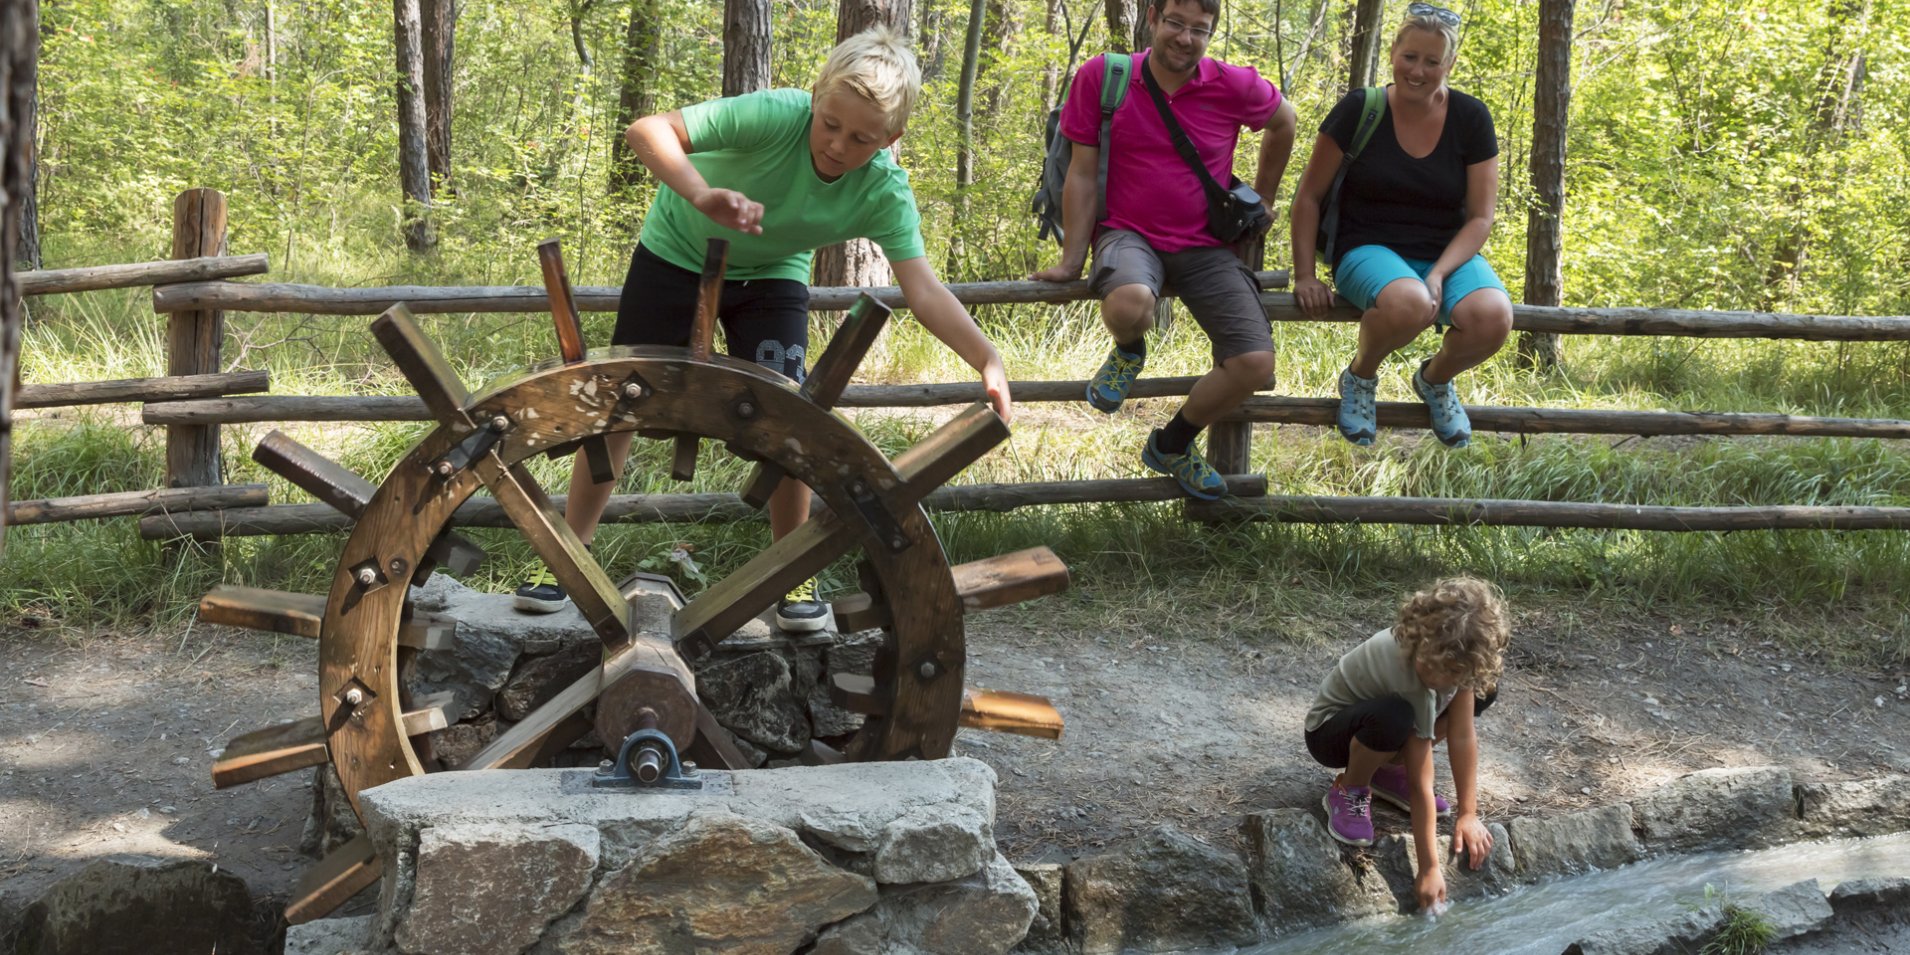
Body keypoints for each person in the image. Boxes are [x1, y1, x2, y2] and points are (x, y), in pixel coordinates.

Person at [515, 27, 1013, 631]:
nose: (837, 145)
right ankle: (568, 554)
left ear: (891, 139)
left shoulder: (884, 190)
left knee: (787, 413)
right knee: (624, 396)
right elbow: (647, 131)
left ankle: (789, 571)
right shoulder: (773, 115)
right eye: (830, 123)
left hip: (772, 274)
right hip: (676, 249)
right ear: (814, 99)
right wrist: (701, 194)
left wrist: (987, 359)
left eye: (861, 138)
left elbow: (925, 290)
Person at [1032, 0, 1296, 501]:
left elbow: (1286, 120)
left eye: (1200, 29)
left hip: (1207, 245)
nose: (1185, 38)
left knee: (1255, 363)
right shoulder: (1103, 78)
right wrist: (1071, 258)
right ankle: (1130, 349)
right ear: (1152, 18)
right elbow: (1082, 173)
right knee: (1130, 304)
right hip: (1126, 233)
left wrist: (1265, 196)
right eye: (1175, 23)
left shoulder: (1233, 84)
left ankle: (1172, 444)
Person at [1288, 2, 1511, 450]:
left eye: (1432, 61)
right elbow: (1308, 197)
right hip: (1366, 248)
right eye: (1410, 57)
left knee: (1493, 317)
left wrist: (1439, 273)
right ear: (1393, 52)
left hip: (1442, 251)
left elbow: (1481, 217)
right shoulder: (1360, 109)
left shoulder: (1471, 119)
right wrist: (1306, 275)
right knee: (1410, 302)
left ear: (1449, 64)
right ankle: (1360, 377)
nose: (1418, 71)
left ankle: (1435, 380)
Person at [1302, 576, 1508, 912]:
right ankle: (1351, 787)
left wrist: (1468, 815)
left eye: (1446, 670)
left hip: (1382, 724)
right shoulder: (1411, 677)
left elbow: (1461, 735)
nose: (1426, 666)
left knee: (1484, 692)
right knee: (1395, 715)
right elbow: (1420, 784)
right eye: (1426, 658)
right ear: (1419, 632)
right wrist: (1429, 869)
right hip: (1329, 734)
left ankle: (1383, 771)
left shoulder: (1453, 664)